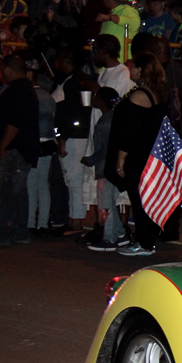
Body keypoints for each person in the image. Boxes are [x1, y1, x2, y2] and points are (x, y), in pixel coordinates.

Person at [107, 52, 168, 256]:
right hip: (148, 153)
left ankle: (144, 242)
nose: (129, 70)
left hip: (138, 155)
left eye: (133, 67)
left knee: (138, 198)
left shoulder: (140, 95)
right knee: (144, 197)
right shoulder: (154, 91)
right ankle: (146, 239)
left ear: (141, 70)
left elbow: (130, 130)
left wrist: (121, 157)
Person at [81, 33, 133, 243]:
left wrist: (98, 90)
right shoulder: (103, 73)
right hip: (99, 132)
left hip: (112, 139)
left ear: (103, 51)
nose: (93, 55)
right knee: (100, 190)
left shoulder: (123, 74)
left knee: (113, 193)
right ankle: (103, 227)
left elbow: (118, 103)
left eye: (95, 51)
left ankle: (117, 231)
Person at [0, 52, 39, 247]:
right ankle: (19, 231)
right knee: (18, 190)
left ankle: (4, 232)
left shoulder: (16, 91)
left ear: (8, 70)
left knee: (6, 191)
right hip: (23, 149)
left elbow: (14, 123)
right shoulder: (26, 89)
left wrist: (3, 145)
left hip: (14, 149)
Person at [51, 46, 90, 233]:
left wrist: (63, 137)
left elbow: (71, 113)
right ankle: (74, 219)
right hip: (74, 135)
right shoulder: (72, 80)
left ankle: (77, 221)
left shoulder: (72, 83)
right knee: (73, 179)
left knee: (74, 179)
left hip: (73, 137)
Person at [81, 87, 124, 251]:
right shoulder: (112, 118)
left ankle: (109, 239)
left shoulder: (107, 121)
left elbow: (105, 149)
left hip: (106, 167)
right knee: (109, 202)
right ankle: (120, 234)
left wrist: (90, 160)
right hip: (111, 167)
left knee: (105, 204)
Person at [25, 52, 55, 238]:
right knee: (43, 184)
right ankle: (43, 224)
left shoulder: (30, 95)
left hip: (34, 143)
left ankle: (30, 223)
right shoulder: (48, 96)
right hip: (48, 143)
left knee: (31, 185)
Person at [95, 0, 140, 64]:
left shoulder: (127, 10)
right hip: (108, 66)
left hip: (120, 66)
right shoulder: (112, 12)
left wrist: (110, 18)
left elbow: (135, 23)